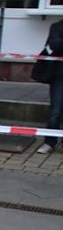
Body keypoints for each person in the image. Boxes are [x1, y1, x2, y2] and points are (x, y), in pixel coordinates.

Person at [37, 18, 63, 154]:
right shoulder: (57, 26)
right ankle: (49, 142)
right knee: (55, 111)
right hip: (59, 76)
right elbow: (53, 45)